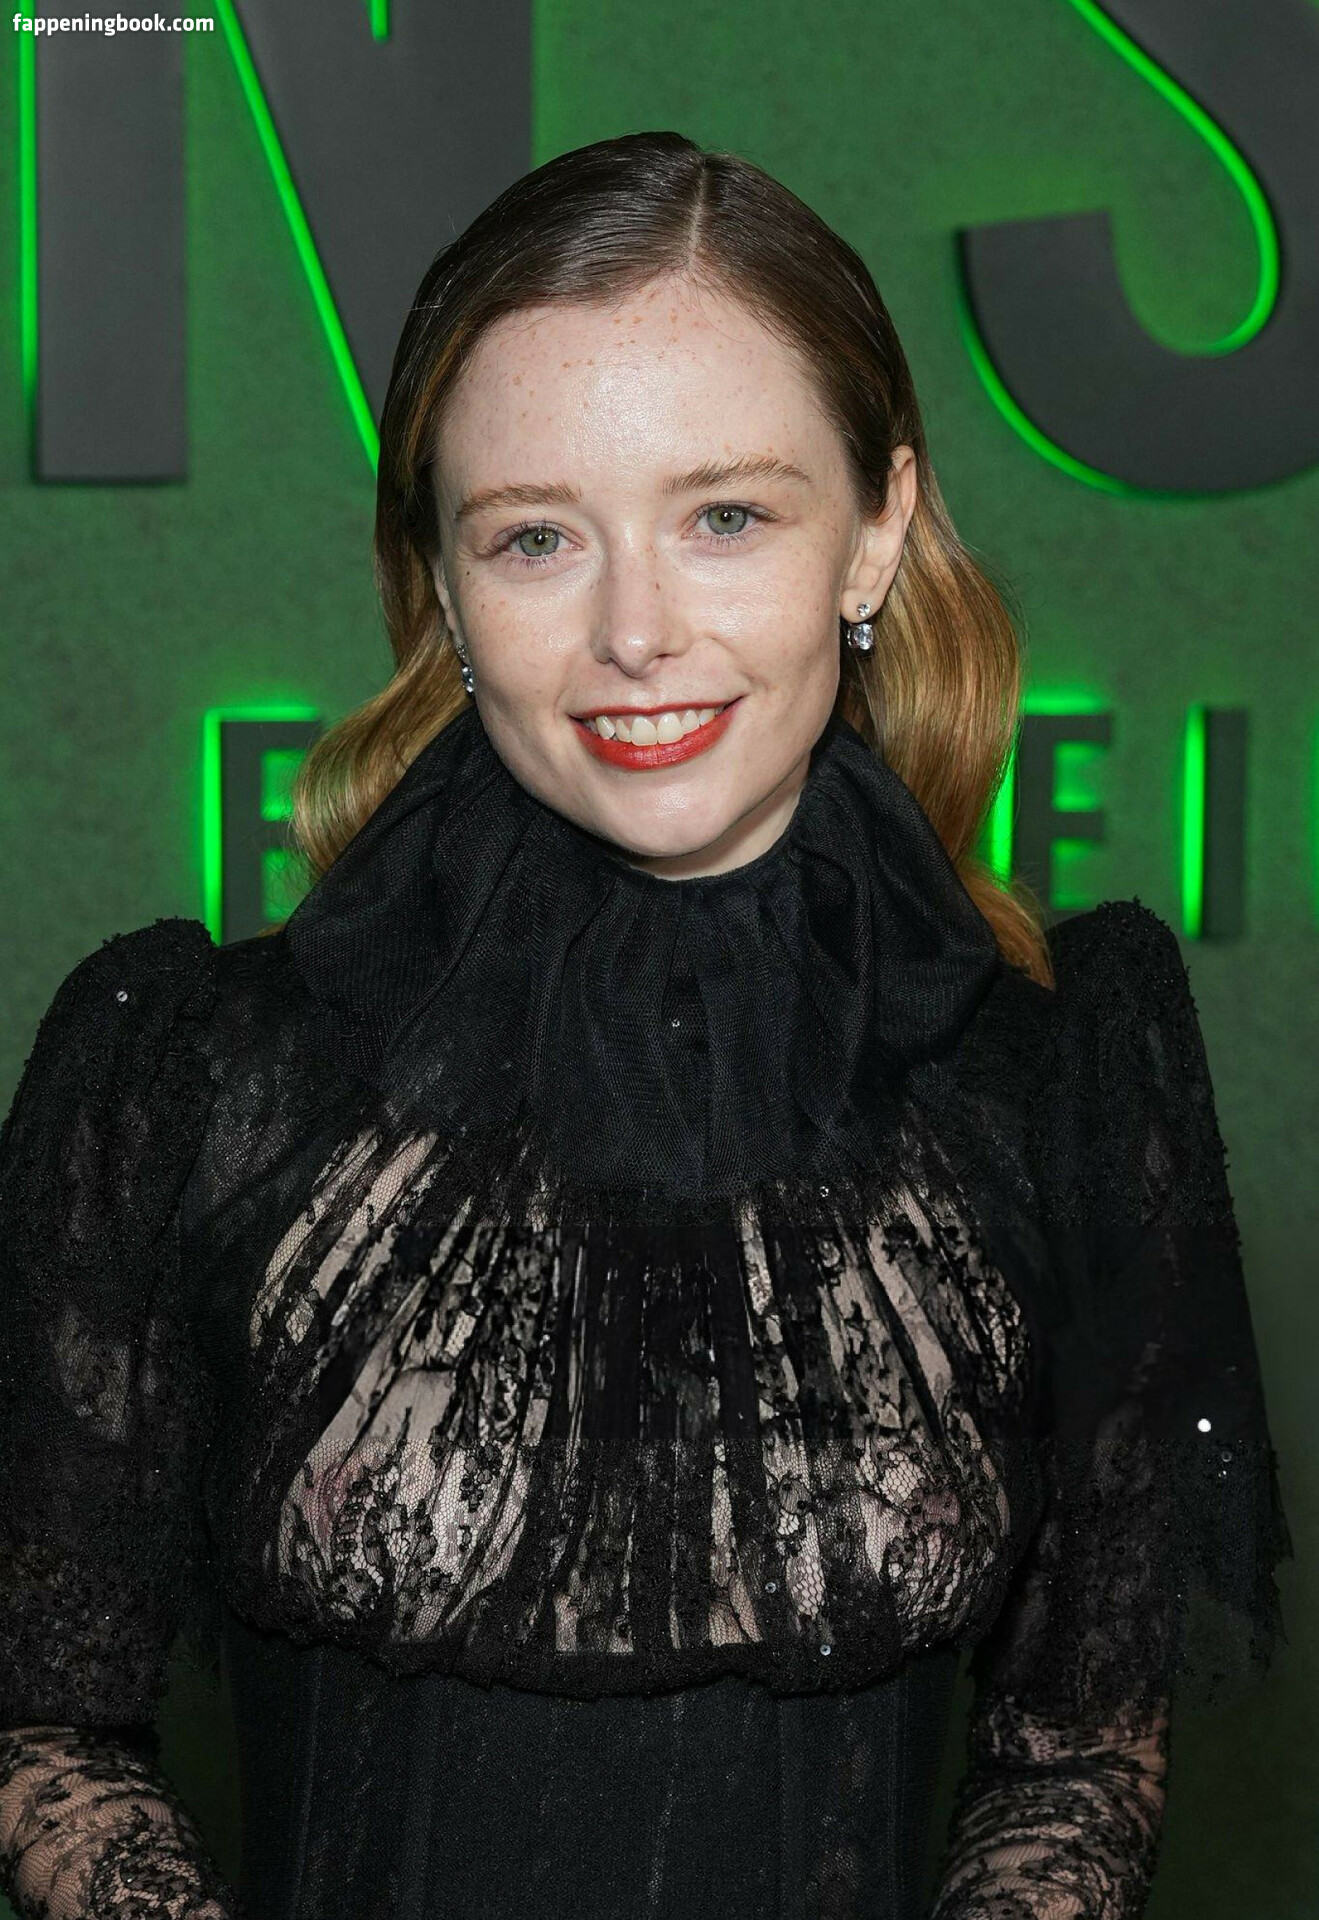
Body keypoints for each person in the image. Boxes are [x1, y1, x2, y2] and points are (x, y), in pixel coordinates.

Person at [0, 130, 1292, 1920]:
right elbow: (50, 1724)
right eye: (537, 537)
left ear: (877, 531)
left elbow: (1070, 1762)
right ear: (445, 584)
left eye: (725, 517)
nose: (634, 631)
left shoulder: (1063, 1083)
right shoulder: (184, 1074)